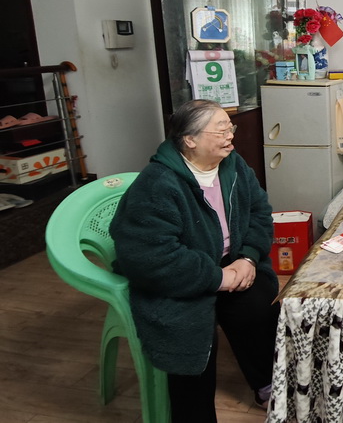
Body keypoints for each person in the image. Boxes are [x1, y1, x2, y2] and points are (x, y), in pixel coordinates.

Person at [110, 100, 280, 422]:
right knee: (190, 336)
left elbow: (260, 212)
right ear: (189, 139)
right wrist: (218, 278)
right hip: (180, 277)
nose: (230, 135)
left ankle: (267, 383)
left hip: (232, 262)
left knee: (260, 306)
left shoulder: (233, 166)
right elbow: (152, 257)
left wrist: (248, 257)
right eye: (221, 130)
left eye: (230, 127)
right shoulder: (158, 184)